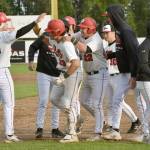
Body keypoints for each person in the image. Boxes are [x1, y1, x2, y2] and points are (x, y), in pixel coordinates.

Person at [0, 12, 46, 142]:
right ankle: (9, 134)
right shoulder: (4, 36)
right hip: (2, 71)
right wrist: (35, 22)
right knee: (9, 104)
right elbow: (20, 32)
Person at [66, 17, 109, 141]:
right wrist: (70, 32)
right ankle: (103, 121)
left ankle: (98, 133)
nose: (82, 30)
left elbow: (85, 49)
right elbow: (72, 36)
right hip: (88, 74)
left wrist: (72, 38)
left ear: (91, 29)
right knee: (83, 100)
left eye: (84, 28)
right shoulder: (82, 34)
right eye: (81, 28)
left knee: (97, 104)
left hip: (100, 75)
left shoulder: (97, 40)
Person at [102, 4, 139, 140]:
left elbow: (134, 53)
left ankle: (141, 129)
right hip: (122, 72)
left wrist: (134, 75)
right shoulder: (119, 30)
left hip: (129, 73)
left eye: (109, 16)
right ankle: (115, 130)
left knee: (139, 103)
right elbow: (121, 52)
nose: (108, 19)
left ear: (115, 15)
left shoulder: (125, 30)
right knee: (116, 100)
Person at [45, 19, 80, 143]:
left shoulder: (66, 44)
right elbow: (42, 36)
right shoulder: (53, 39)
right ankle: (75, 116)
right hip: (63, 72)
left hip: (72, 73)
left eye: (50, 32)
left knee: (67, 103)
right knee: (54, 98)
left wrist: (63, 77)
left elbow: (76, 63)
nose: (48, 34)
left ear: (57, 32)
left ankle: (72, 134)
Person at [28, 32, 65, 138]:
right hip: (43, 73)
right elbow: (33, 47)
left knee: (55, 102)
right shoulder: (45, 36)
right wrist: (31, 60)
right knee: (43, 100)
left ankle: (55, 129)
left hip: (58, 74)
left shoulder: (61, 38)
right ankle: (39, 128)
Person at [62, 16, 84, 134]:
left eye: (68, 26)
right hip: (70, 68)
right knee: (72, 99)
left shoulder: (73, 37)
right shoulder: (71, 37)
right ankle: (74, 121)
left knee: (73, 99)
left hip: (75, 68)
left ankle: (75, 122)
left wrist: (71, 29)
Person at [133, 21, 150, 143]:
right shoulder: (145, 44)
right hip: (145, 80)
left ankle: (146, 134)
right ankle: (146, 133)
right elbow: (142, 65)